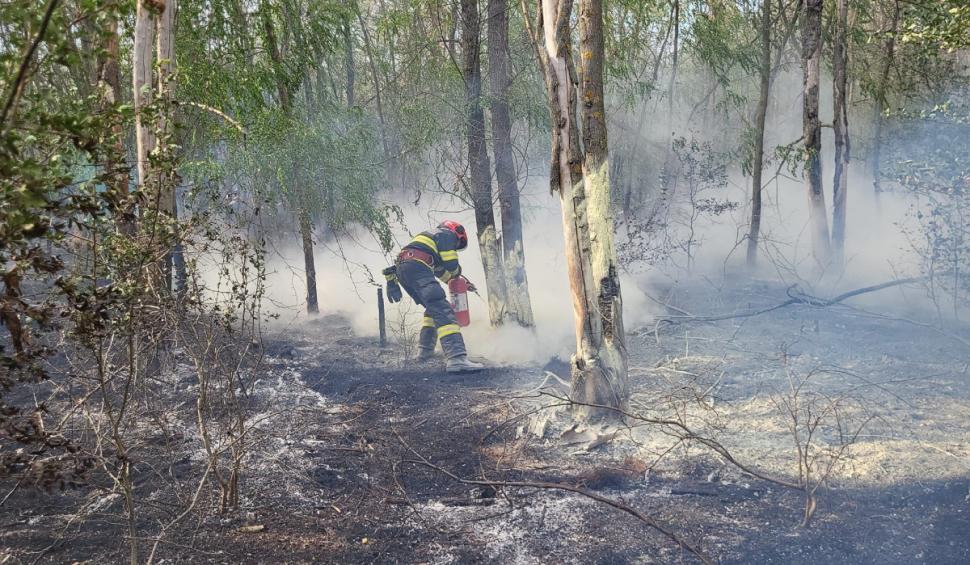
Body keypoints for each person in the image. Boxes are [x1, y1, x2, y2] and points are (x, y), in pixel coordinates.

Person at [384, 221, 484, 373]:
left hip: (404, 269)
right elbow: (451, 265)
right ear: (457, 233)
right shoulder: (446, 234)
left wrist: (462, 284)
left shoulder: (428, 241)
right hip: (417, 268)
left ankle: (425, 351)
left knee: (432, 308)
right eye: (457, 244)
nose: (455, 246)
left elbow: (442, 273)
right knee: (442, 309)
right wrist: (457, 272)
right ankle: (457, 358)